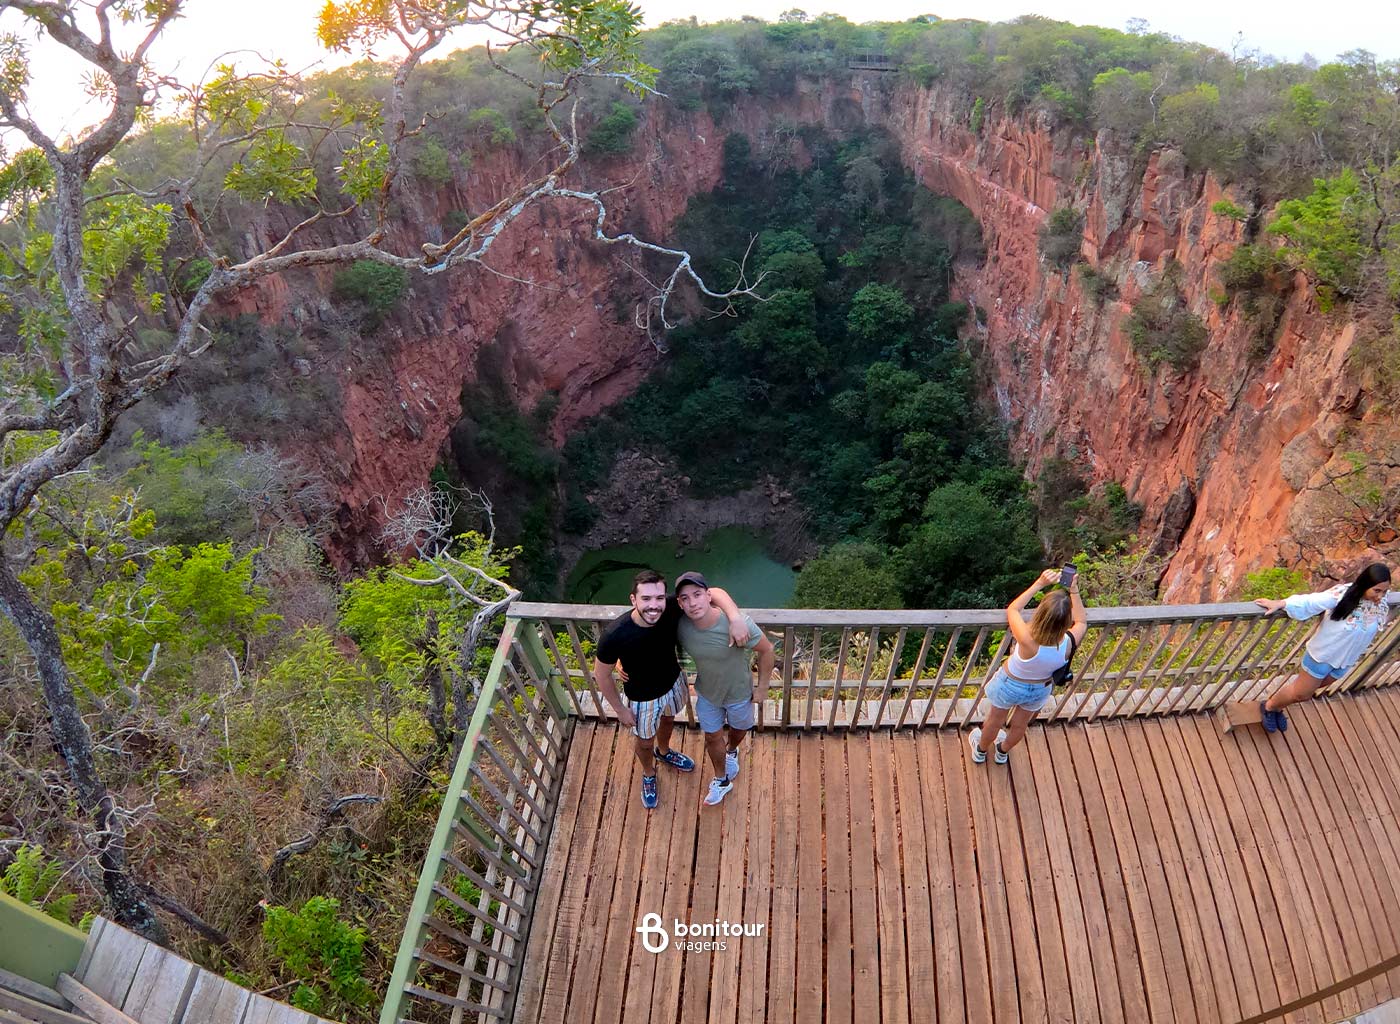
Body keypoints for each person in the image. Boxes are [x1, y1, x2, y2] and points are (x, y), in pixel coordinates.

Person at [593, 569, 750, 808]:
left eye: (658, 598)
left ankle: (664, 752)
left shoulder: (669, 608)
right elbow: (601, 675)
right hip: (642, 697)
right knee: (644, 740)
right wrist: (620, 710)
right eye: (645, 599)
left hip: (673, 683)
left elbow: (714, 592)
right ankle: (648, 773)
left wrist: (735, 618)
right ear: (633, 600)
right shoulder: (615, 634)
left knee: (668, 721)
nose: (653, 605)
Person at [674, 571, 776, 806]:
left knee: (739, 730)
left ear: (708, 596)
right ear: (679, 603)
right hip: (708, 693)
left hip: (740, 693)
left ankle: (732, 751)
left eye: (697, 595)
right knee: (712, 737)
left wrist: (762, 688)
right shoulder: (681, 625)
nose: (692, 603)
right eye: (685, 598)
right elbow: (648, 630)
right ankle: (721, 780)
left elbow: (767, 650)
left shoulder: (737, 624)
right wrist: (622, 661)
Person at [1254, 562, 1393, 732]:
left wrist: (1381, 595)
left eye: (1384, 591)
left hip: (1345, 660)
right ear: (1365, 584)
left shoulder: (1380, 602)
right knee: (1301, 694)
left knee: (1303, 691)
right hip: (1323, 656)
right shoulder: (1342, 595)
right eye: (1376, 590)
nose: (1381, 595)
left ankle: (1279, 705)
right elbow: (1311, 601)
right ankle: (1269, 707)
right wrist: (1281, 604)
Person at [970, 567, 1087, 765]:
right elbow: (1082, 621)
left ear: (1040, 615)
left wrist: (1040, 583)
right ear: (1066, 621)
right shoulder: (1069, 641)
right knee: (1019, 726)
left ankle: (981, 750)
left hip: (1010, 684)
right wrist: (1074, 590)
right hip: (1039, 689)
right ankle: (1002, 751)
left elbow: (1013, 609)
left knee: (994, 721)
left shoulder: (1027, 640)